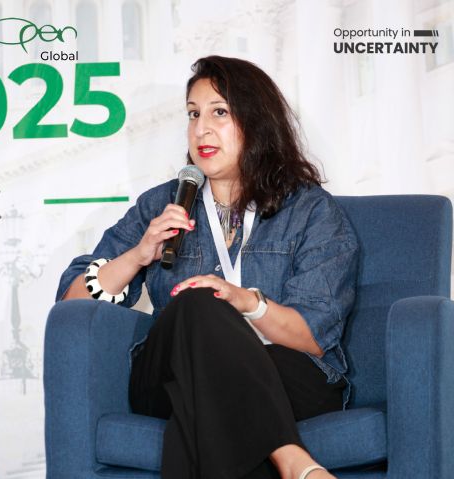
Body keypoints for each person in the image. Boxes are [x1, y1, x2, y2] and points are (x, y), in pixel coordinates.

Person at [57, 55, 359, 479]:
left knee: (204, 399)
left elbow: (312, 337)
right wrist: (139, 254)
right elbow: (70, 303)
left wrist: (247, 302)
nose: (201, 129)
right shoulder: (161, 204)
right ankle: (290, 457)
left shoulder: (310, 210)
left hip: (287, 374)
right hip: (170, 373)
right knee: (199, 303)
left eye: (219, 112)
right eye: (193, 114)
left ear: (257, 121)